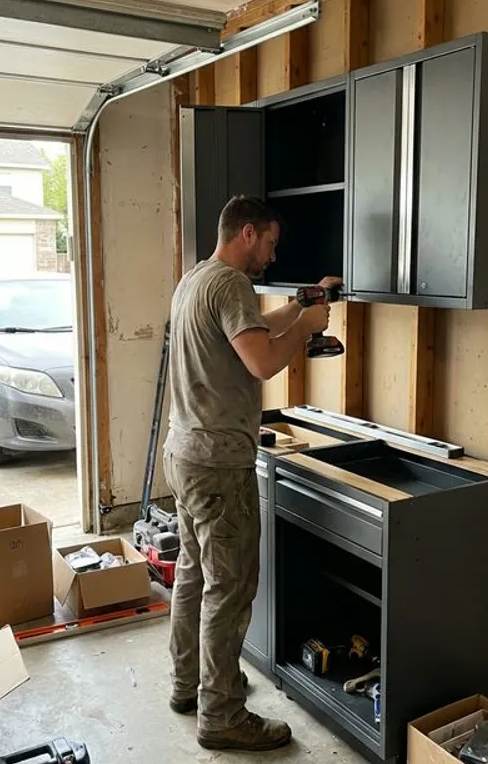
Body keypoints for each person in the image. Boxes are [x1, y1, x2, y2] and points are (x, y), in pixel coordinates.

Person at [163, 195, 340, 751]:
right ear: (246, 232)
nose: (272, 252)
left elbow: (248, 333)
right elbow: (262, 360)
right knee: (230, 588)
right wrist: (309, 327)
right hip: (218, 464)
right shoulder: (233, 285)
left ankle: (188, 684)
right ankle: (221, 716)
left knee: (194, 576)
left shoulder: (198, 279)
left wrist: (298, 306)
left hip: (185, 454)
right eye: (269, 242)